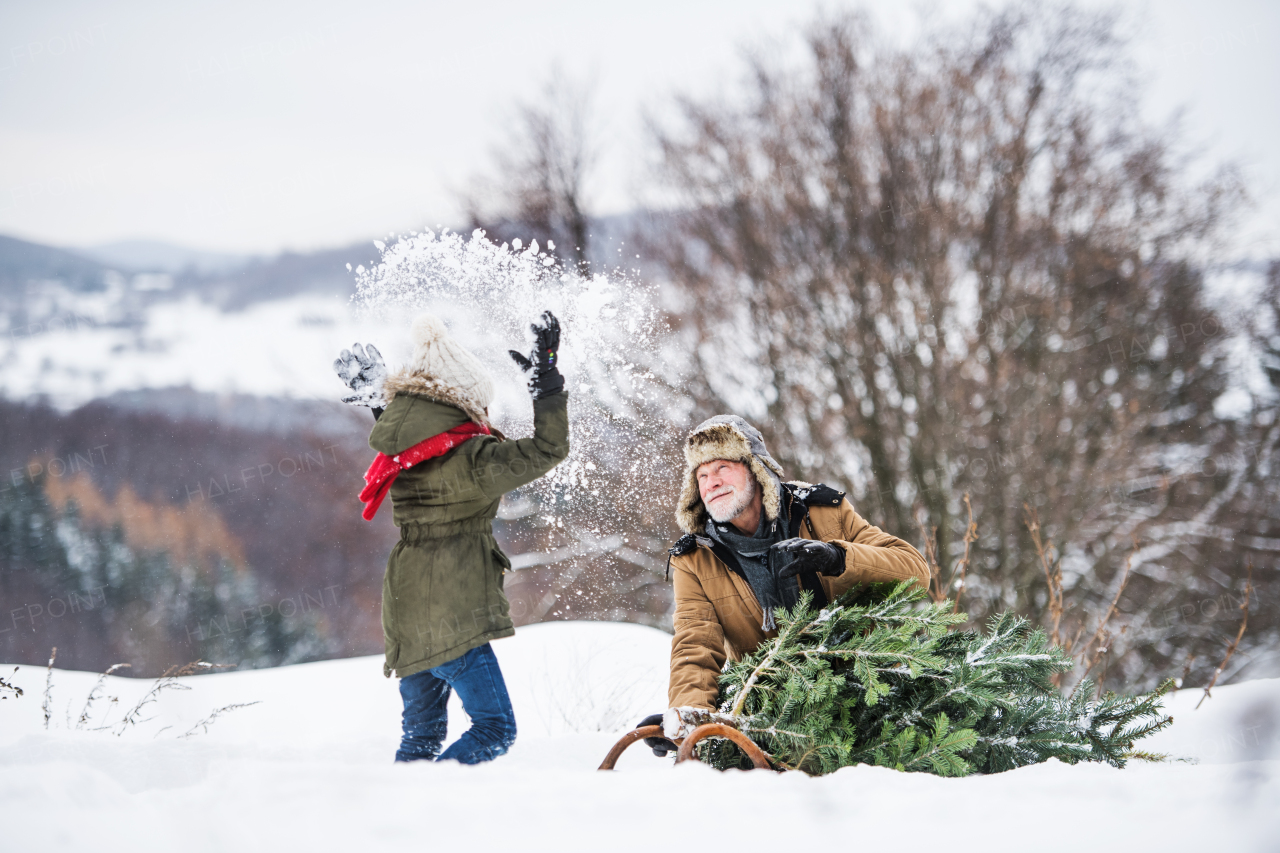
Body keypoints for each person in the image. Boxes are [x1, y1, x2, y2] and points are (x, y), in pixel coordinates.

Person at [334, 310, 569, 764]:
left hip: (404, 609)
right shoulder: (476, 459)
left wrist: (383, 402)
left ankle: (406, 811)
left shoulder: (402, 453)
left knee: (421, 739)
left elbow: (416, 432)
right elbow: (548, 448)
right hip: (454, 615)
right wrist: (546, 382)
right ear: (465, 402)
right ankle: (440, 803)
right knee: (495, 728)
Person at [638, 415, 929, 753]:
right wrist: (688, 720)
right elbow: (695, 647)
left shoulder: (821, 512)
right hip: (779, 725)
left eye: (721, 468)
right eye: (701, 475)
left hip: (871, 701)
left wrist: (836, 557)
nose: (711, 482)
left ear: (754, 469)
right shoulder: (694, 559)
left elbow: (915, 572)